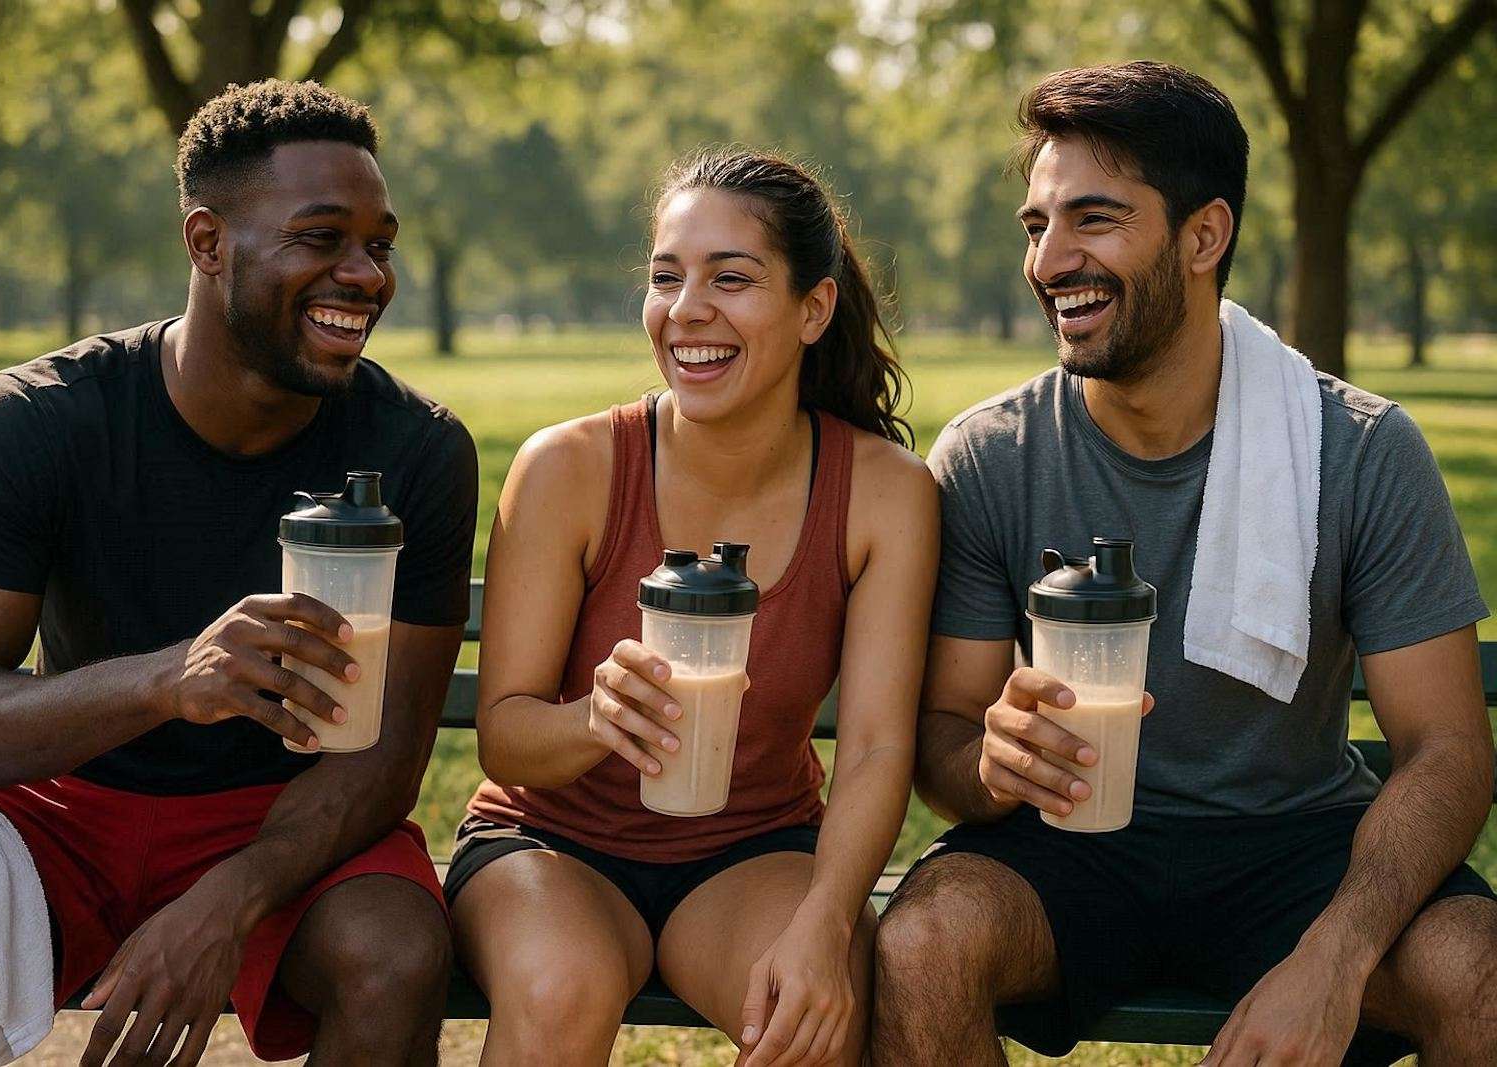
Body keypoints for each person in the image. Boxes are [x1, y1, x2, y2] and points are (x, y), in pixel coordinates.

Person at [872, 62, 1497, 1066]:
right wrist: (987, 765)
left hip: (1297, 842)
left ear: (1203, 236)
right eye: (1036, 225)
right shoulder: (990, 456)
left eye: (1093, 219)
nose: (1049, 259)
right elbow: (947, 735)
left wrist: (1334, 954)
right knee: (918, 944)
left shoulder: (1360, 450)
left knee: (1480, 972)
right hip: (1065, 847)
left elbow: (1447, 749)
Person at [0, 79, 476, 1067]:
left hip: (290, 819)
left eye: (378, 244)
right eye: (321, 237)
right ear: (207, 242)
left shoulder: (414, 449)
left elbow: (383, 762)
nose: (366, 274)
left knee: (394, 954)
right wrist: (173, 679)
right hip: (58, 805)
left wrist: (235, 891)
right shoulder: (39, 418)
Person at [447, 149, 937, 1066]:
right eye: (666, 276)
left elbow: (874, 744)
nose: (687, 310)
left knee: (804, 1016)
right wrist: (599, 717)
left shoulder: (884, 494)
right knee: (559, 987)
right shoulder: (569, 468)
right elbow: (507, 735)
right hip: (549, 840)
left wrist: (829, 921)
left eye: (732, 278)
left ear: (814, 309)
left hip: (756, 850)